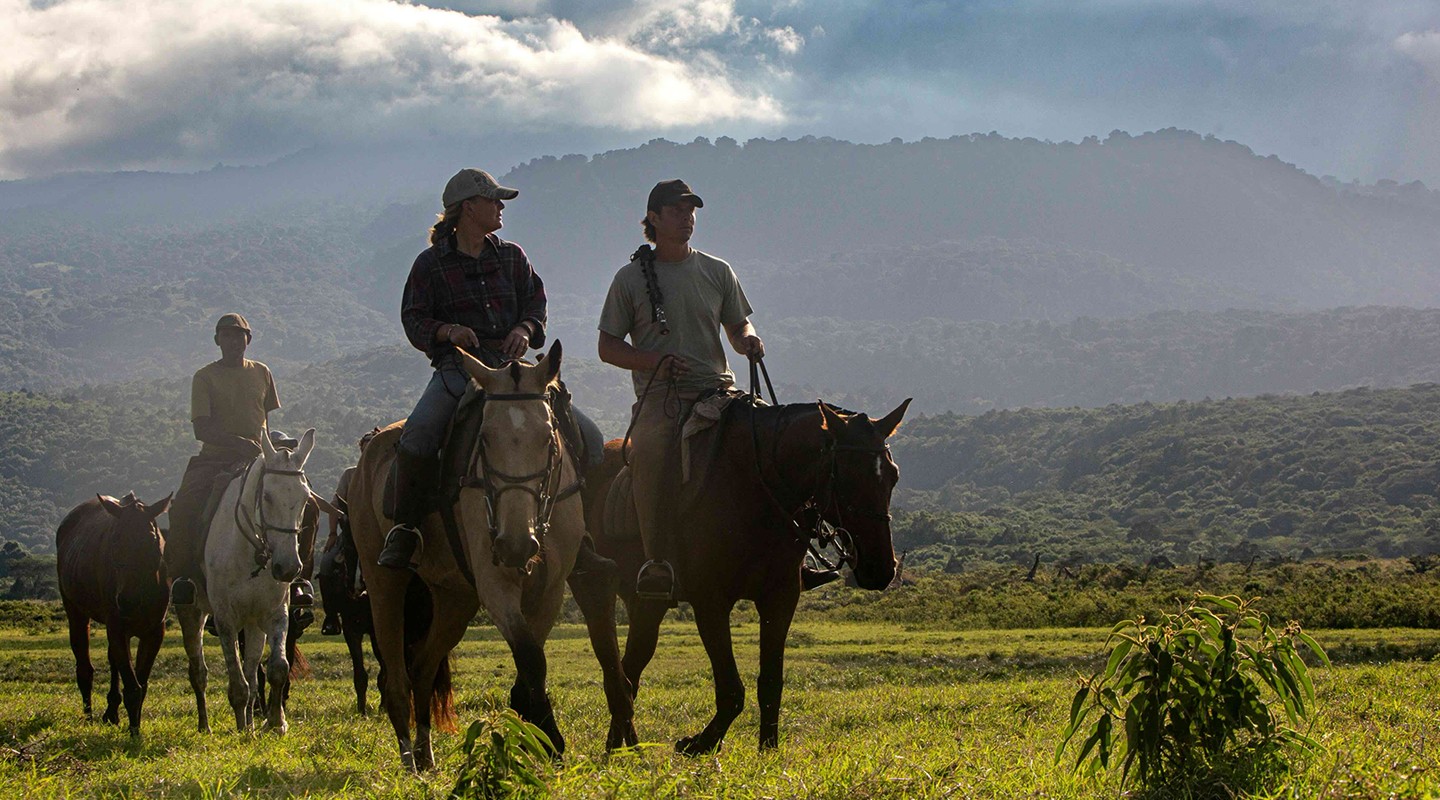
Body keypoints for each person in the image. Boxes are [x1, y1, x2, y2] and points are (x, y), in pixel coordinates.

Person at [598, 179, 840, 599]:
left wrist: (747, 338)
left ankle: (795, 558)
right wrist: (655, 361)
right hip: (662, 400)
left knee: (773, 445)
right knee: (651, 454)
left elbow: (738, 323)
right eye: (676, 211)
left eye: (691, 211)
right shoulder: (629, 279)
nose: (687, 218)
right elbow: (608, 347)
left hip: (719, 391)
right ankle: (657, 562)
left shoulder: (717, 270)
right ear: (653, 219)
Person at [379, 168, 609, 575]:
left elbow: (536, 307)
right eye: (493, 200)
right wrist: (447, 331)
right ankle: (407, 528)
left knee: (588, 438)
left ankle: (579, 536)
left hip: (518, 376)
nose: (501, 207)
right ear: (469, 208)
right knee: (417, 437)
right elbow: (414, 320)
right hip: (460, 371)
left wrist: (524, 329)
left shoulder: (512, 256)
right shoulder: (430, 264)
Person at [168, 313, 313, 607]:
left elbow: (266, 422)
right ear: (217, 341)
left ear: (248, 339)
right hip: (215, 459)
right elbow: (201, 429)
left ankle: (298, 578)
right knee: (184, 504)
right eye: (227, 335)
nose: (234, 341)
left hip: (260, 459)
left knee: (304, 502)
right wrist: (239, 443)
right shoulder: (205, 376)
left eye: (239, 335)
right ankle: (185, 578)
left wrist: (273, 451)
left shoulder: (262, 372)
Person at [317, 428, 377, 634]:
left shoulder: (386, 473)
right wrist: (333, 534)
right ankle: (332, 616)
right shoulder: (350, 475)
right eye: (365, 448)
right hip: (351, 531)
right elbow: (335, 505)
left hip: (381, 531)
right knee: (326, 564)